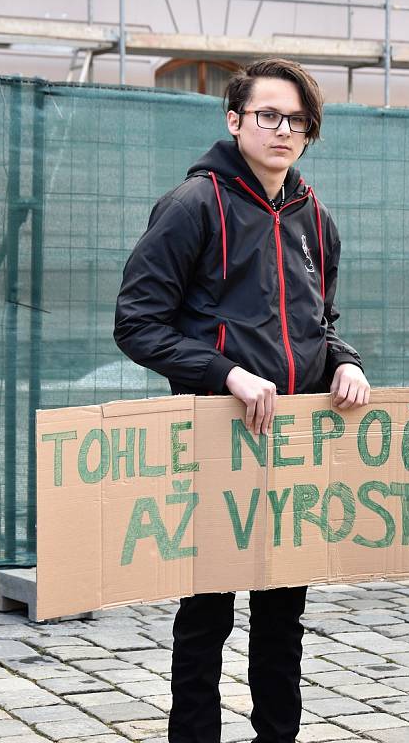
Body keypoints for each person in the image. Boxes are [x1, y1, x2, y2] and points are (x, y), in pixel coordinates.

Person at [114, 58, 370, 743]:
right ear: (234, 120)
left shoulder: (316, 217)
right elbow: (137, 323)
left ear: (309, 132)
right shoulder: (192, 205)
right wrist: (224, 373)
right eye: (267, 115)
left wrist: (343, 363)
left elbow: (321, 322)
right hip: (216, 442)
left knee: (283, 615)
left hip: (292, 450)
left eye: (296, 120)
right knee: (206, 616)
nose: (282, 129)